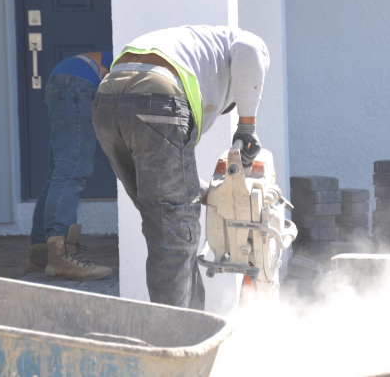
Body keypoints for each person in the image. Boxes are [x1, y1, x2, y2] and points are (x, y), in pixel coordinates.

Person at [93, 25, 269, 309]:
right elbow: (249, 51)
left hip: (107, 101)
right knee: (174, 232)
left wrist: (208, 193)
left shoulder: (193, 47)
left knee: (163, 220)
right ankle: (176, 338)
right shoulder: (243, 41)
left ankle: (191, 321)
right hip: (156, 97)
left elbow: (168, 180)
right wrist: (247, 127)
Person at [27, 52, 114, 281]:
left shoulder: (116, 55)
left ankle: (41, 256)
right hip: (77, 86)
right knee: (72, 172)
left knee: (58, 173)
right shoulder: (133, 61)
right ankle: (61, 256)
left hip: (63, 83)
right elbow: (110, 83)